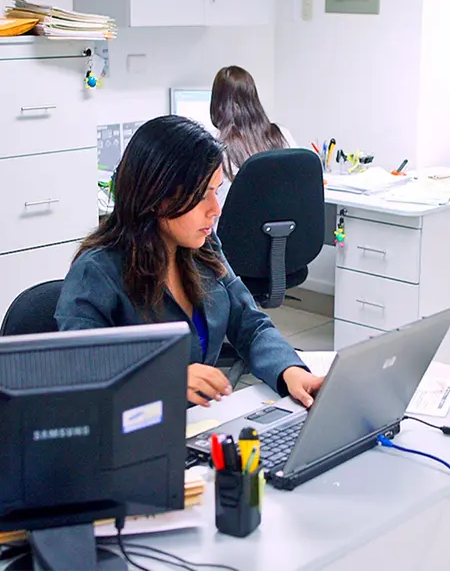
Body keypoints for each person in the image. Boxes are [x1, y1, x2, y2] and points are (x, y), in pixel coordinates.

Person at [55, 115, 324, 409]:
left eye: (216, 192)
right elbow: (79, 366)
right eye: (202, 196)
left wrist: (290, 371)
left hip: (196, 423)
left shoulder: (203, 247)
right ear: (157, 196)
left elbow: (249, 324)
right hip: (134, 428)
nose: (215, 209)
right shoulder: (97, 271)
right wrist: (165, 375)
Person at [209, 65, 299, 209]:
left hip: (231, 222)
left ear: (217, 103)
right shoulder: (282, 135)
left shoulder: (213, 143)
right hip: (280, 221)